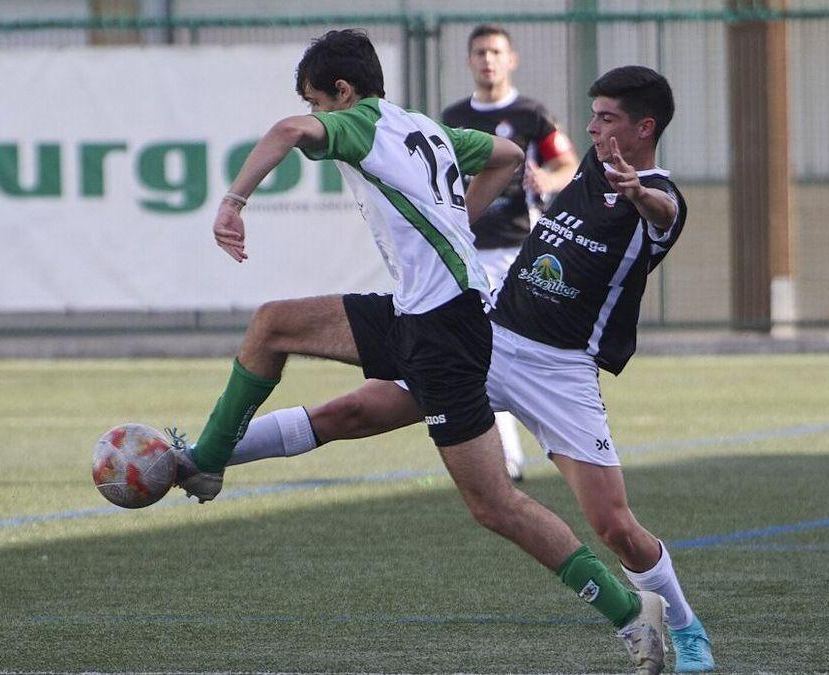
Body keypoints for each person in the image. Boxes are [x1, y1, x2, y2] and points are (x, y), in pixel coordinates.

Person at [171, 30, 668, 674]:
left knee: (495, 506)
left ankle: (633, 617)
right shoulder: (421, 128)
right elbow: (509, 154)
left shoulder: (357, 125)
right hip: (417, 313)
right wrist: (457, 220)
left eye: (319, 100)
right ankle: (206, 460)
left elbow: (287, 133)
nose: (318, 115)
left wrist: (233, 203)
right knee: (275, 327)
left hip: (446, 332)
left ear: (344, 94)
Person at [441, 24, 580, 481]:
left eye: (496, 52)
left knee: (534, 350)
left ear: (511, 59)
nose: (488, 60)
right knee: (480, 351)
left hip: (524, 251)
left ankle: (566, 443)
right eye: (480, 52)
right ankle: (506, 459)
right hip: (471, 251)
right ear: (469, 61)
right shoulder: (454, 116)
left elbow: (568, 163)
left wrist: (550, 181)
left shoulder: (530, 115)